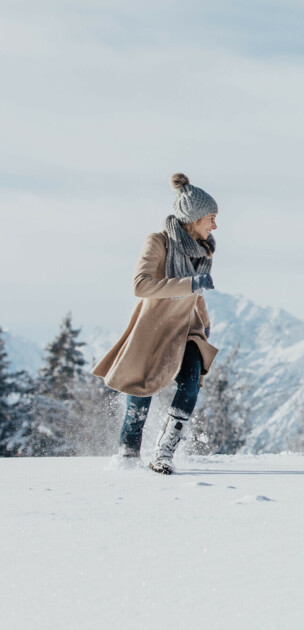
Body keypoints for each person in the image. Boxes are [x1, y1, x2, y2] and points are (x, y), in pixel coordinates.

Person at [93, 173, 220, 474]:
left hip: (187, 329)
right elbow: (141, 285)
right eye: (211, 218)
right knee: (140, 393)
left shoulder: (202, 250)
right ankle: (126, 458)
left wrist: (205, 323)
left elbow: (196, 293)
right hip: (154, 329)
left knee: (190, 384)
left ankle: (164, 452)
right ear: (194, 217)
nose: (215, 226)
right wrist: (188, 283)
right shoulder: (158, 242)